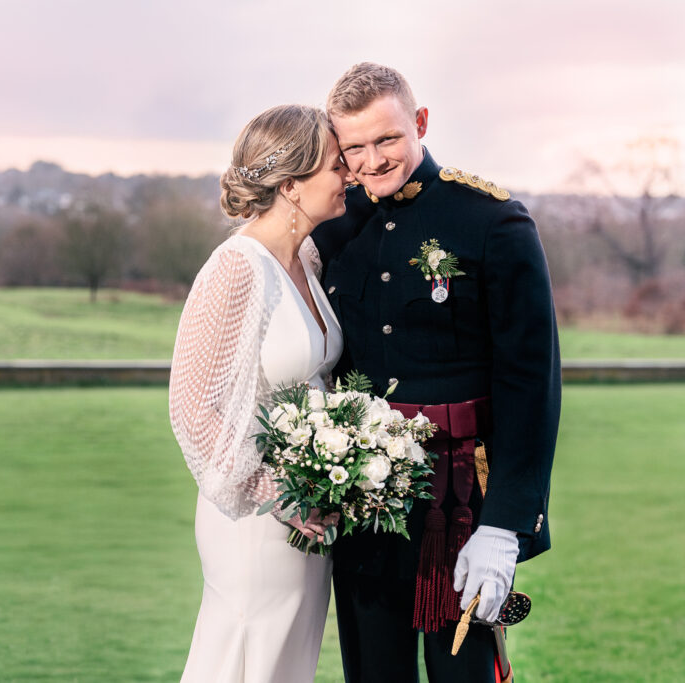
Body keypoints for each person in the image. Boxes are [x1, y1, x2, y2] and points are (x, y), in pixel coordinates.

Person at [311, 63, 561, 683]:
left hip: (464, 507)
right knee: (372, 672)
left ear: (419, 123)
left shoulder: (493, 221)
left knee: (465, 674)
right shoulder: (332, 229)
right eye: (355, 147)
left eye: (388, 139)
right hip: (364, 501)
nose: (372, 160)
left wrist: (505, 525)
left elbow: (530, 385)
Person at [169, 104, 351, 683]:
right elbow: (193, 404)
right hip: (258, 517)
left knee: (285, 664)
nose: (347, 174)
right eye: (335, 165)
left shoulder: (306, 258)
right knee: (245, 659)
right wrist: (280, 491)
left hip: (308, 512)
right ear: (292, 186)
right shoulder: (236, 268)